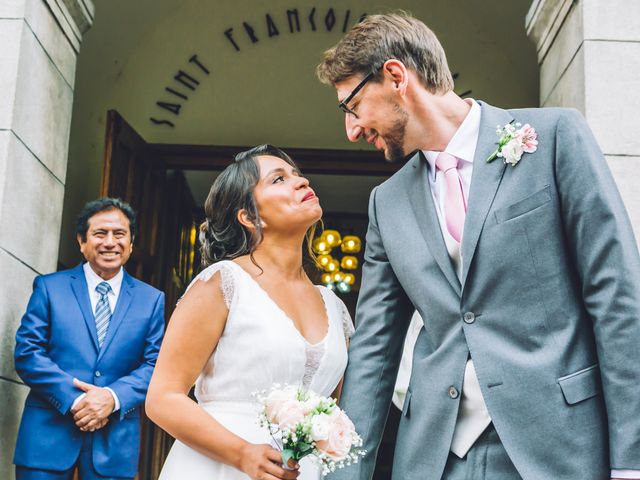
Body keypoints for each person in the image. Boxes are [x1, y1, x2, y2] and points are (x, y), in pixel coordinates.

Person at [316, 12, 640, 480]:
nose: (351, 129)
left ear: (394, 76)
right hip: (434, 456)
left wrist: (631, 459)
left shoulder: (553, 140)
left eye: (353, 105)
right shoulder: (386, 203)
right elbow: (375, 348)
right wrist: (344, 474)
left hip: (558, 446)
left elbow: (617, 299)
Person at [145, 144, 354, 480]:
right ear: (248, 216)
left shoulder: (334, 305)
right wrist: (242, 455)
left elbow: (334, 409)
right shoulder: (224, 282)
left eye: (298, 175)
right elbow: (162, 398)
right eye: (279, 179)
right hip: (219, 468)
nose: (300, 182)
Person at [13, 198, 165, 480]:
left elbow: (155, 363)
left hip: (114, 443)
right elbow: (27, 353)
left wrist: (111, 397)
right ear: (81, 242)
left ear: (131, 244)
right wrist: (76, 401)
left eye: (120, 234)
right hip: (46, 437)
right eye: (100, 233)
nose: (110, 242)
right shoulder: (50, 287)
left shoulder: (151, 300)